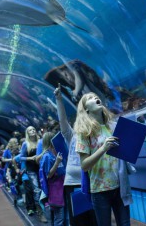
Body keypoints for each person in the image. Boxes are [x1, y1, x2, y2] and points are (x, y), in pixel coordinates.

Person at [74, 92, 133, 226]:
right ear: (86, 109)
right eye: (90, 98)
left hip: (120, 186)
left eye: (96, 96)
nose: (95, 98)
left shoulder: (112, 126)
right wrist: (103, 148)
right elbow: (84, 165)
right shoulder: (84, 132)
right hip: (100, 190)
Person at [54, 84, 97, 226]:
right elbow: (63, 121)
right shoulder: (72, 136)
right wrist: (59, 100)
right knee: (78, 220)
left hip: (93, 183)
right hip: (74, 184)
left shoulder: (95, 135)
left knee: (94, 220)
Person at [20, 126, 48, 222]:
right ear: (27, 133)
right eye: (30, 130)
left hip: (41, 168)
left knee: (44, 189)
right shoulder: (25, 144)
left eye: (33, 129)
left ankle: (46, 209)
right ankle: (40, 213)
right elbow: (21, 157)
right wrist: (31, 158)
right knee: (37, 190)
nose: (32, 131)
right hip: (31, 170)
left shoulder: (41, 141)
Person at [40, 132, 66, 226]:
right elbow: (49, 175)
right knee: (59, 219)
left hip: (61, 190)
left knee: (61, 218)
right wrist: (57, 162)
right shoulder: (47, 156)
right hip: (55, 191)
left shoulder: (55, 153)